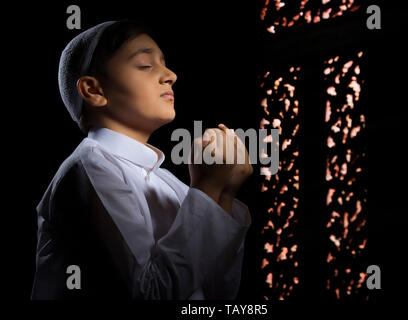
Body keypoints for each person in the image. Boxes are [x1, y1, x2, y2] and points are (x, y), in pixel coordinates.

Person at [31, 20, 253, 300]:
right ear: (94, 90)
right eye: (146, 65)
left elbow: (217, 294)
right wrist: (208, 189)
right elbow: (149, 295)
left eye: (165, 64)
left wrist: (225, 194)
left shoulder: (169, 183)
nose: (171, 75)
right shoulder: (90, 167)